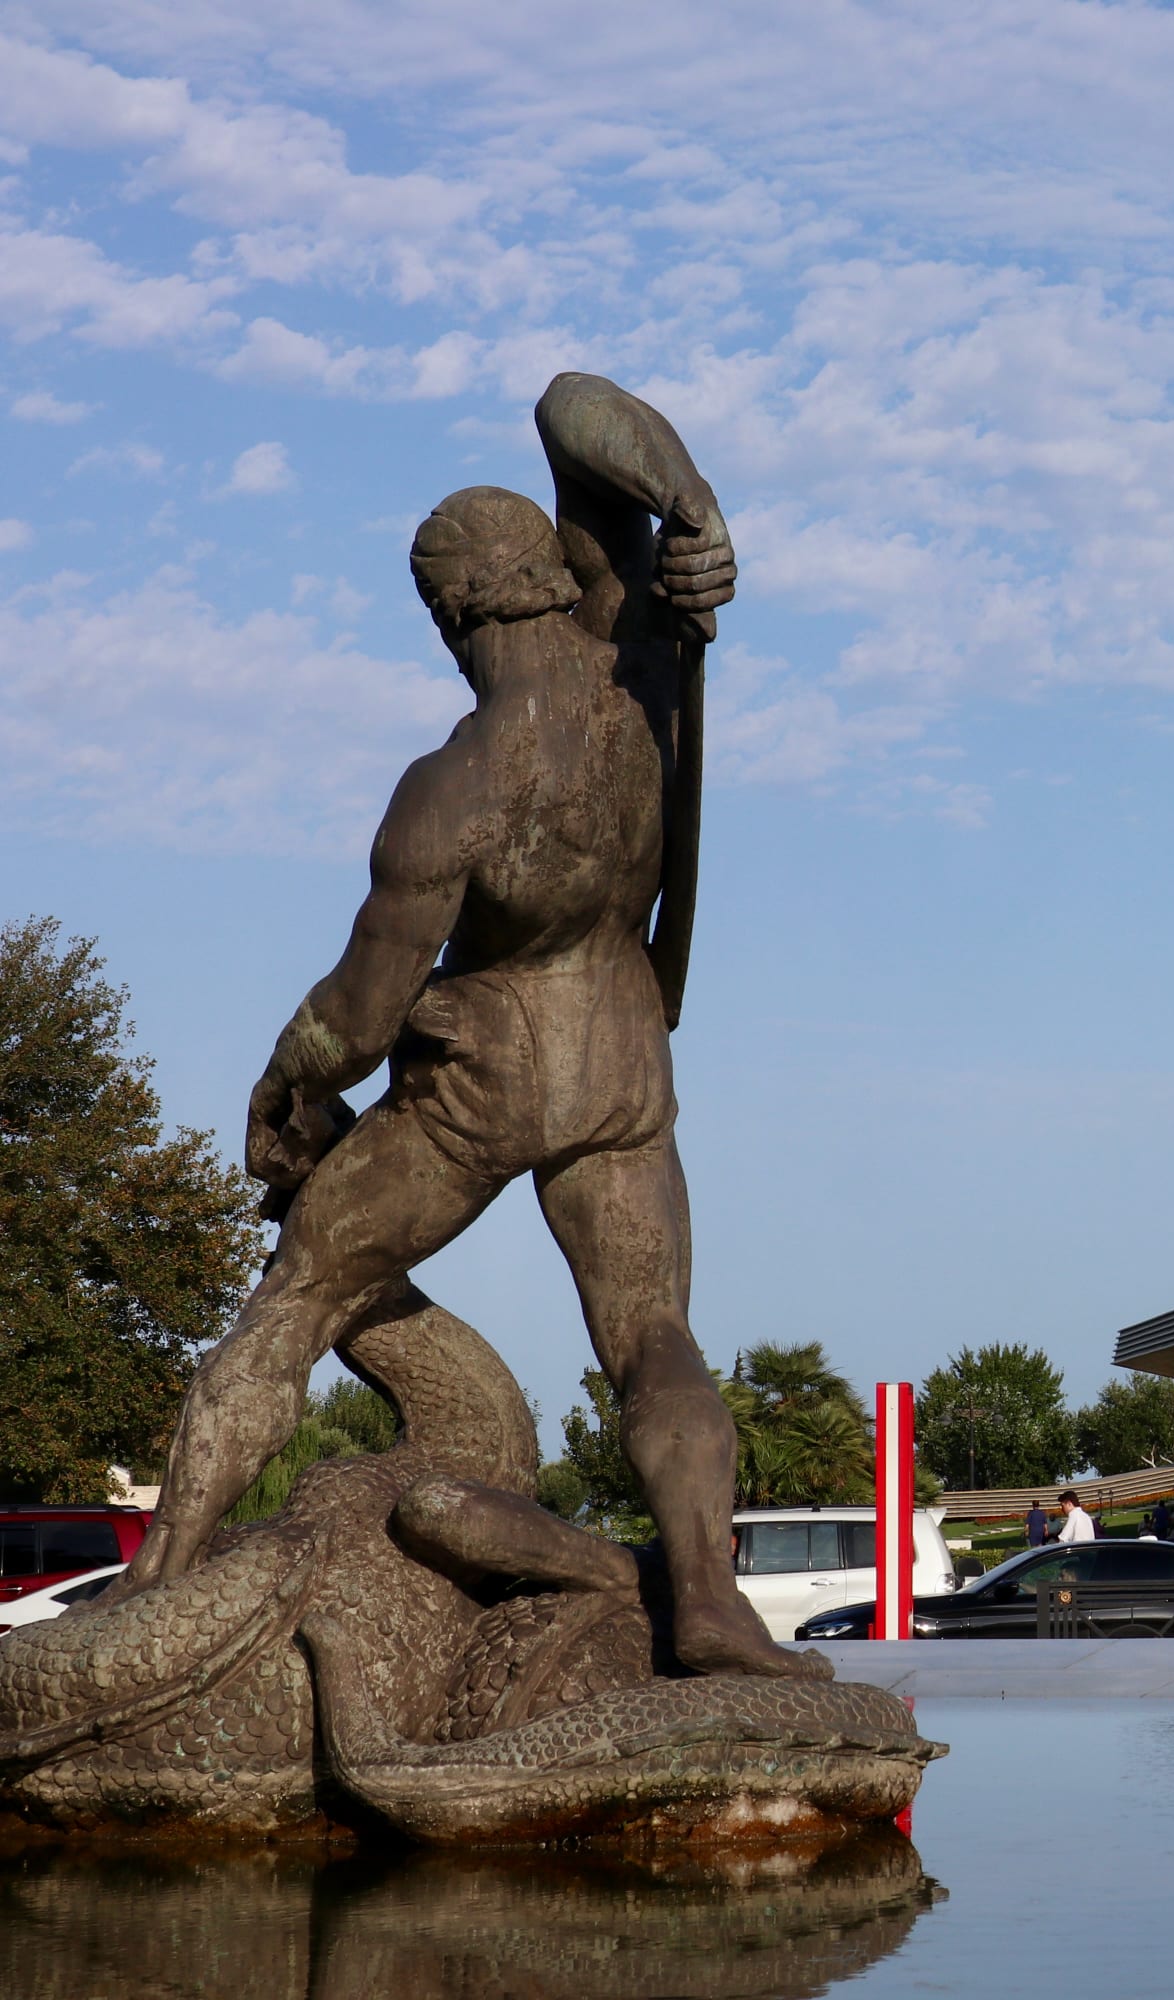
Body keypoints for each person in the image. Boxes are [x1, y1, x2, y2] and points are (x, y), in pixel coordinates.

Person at [111, 387, 813, 1681]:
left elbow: (362, 1013)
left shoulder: (458, 786)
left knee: (298, 1302)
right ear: (552, 573)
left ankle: (160, 1576)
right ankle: (708, 1596)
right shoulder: (639, 674)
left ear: (447, 619)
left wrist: (284, 1083)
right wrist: (693, 507)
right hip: (617, 1058)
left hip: (479, 1074)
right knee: (652, 1336)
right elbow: (583, 415)